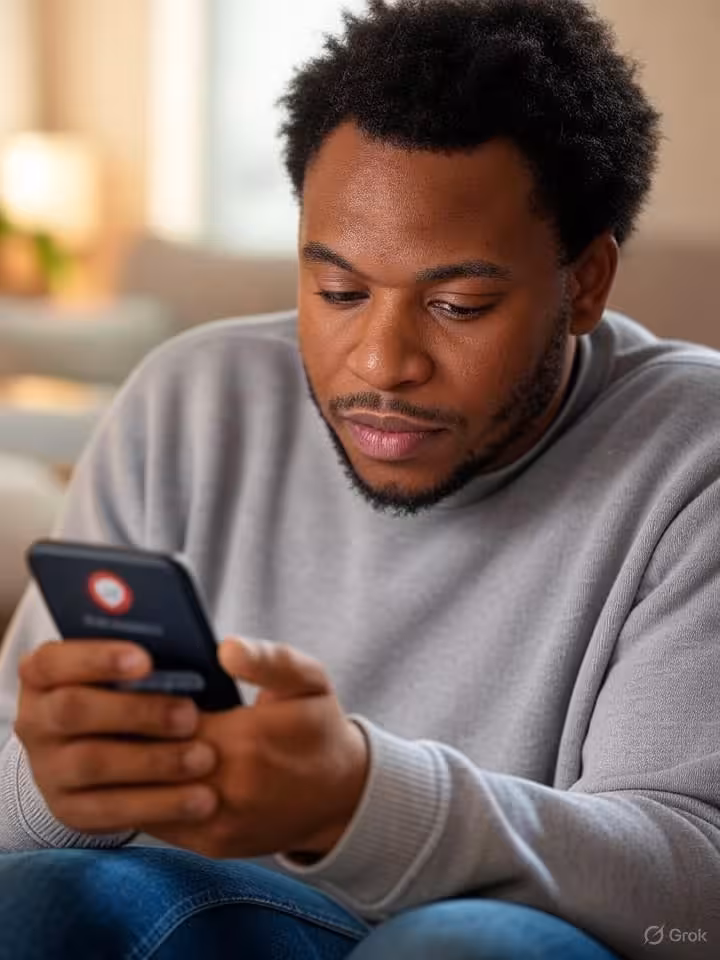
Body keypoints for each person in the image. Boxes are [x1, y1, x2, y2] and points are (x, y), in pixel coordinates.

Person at [0, 0, 718, 957]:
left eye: (458, 304)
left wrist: (356, 802)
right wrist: (59, 787)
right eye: (337, 292)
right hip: (228, 918)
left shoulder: (692, 454)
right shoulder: (190, 399)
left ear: (585, 283)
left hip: (513, 936)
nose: (380, 364)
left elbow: (694, 898)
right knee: (41, 899)